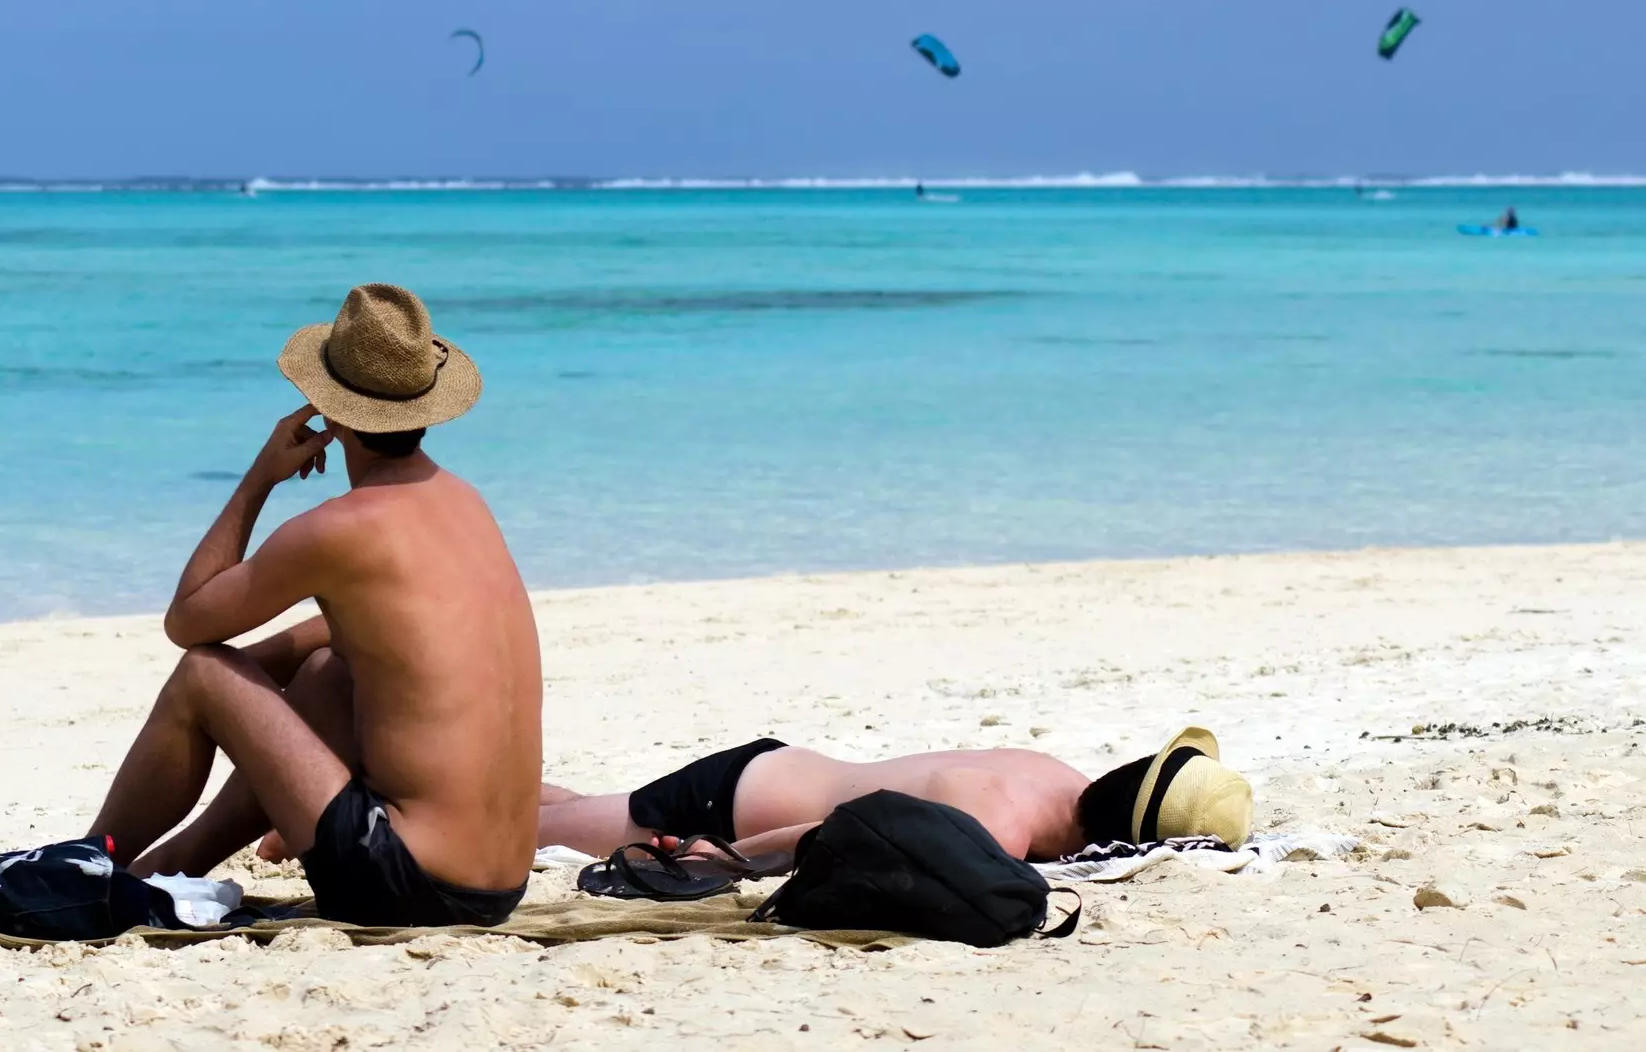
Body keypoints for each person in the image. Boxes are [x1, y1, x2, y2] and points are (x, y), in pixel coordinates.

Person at [86, 283, 542, 927]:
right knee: (331, 668)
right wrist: (260, 682)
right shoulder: (466, 502)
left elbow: (187, 622)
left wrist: (258, 479)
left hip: (408, 882)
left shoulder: (341, 528)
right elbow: (384, 632)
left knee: (204, 674)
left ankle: (89, 863)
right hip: (498, 883)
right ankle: (180, 859)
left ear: (329, 410)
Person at [537, 728, 1252, 864]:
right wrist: (724, 860)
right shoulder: (997, 826)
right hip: (729, 801)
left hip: (776, 771)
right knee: (539, 829)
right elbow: (836, 830)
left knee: (574, 813)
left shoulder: (1051, 772)